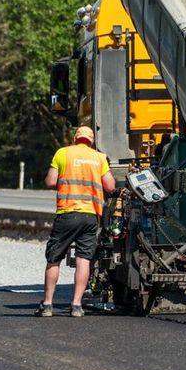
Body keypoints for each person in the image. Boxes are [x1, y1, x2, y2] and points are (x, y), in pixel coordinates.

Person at [36, 126, 116, 317]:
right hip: (89, 216)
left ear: (75, 138)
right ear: (92, 141)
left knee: (54, 259)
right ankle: (77, 305)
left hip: (67, 213)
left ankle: (47, 305)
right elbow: (110, 186)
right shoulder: (99, 158)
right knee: (83, 259)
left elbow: (50, 181)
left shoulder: (62, 154)